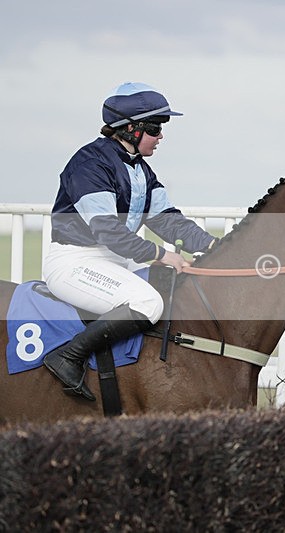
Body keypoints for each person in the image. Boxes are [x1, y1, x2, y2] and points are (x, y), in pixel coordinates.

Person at [42, 82, 217, 401]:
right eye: (155, 128)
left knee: (176, 290)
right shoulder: (89, 163)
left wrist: (217, 249)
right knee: (148, 303)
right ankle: (67, 357)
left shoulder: (141, 170)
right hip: (75, 262)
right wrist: (161, 254)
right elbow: (107, 232)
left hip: (114, 261)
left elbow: (168, 220)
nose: (161, 135)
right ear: (130, 129)